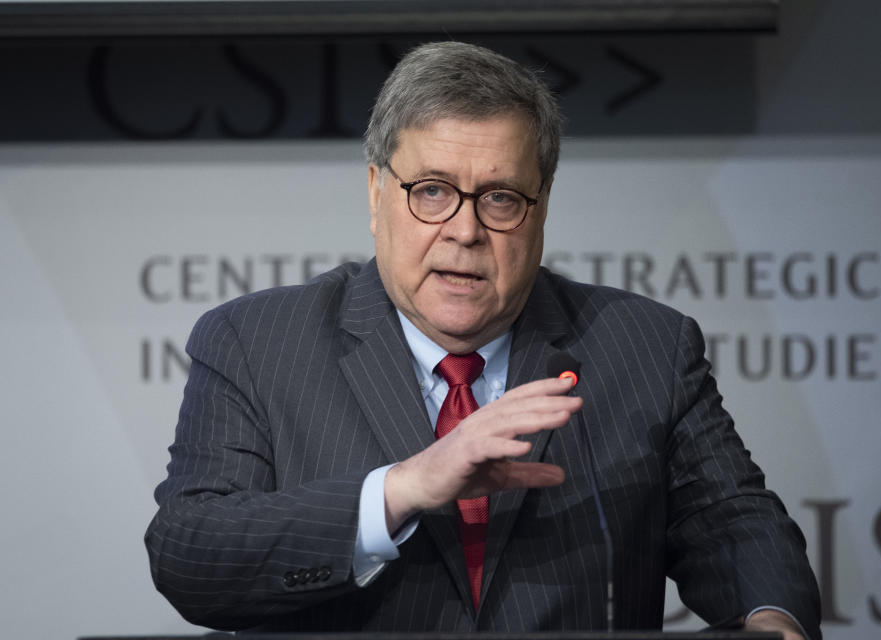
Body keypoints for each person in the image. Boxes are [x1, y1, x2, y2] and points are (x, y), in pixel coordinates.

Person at [146, 41, 821, 639]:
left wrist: (772, 619)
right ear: (377, 192)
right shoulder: (257, 342)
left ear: (542, 204)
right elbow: (191, 554)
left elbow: (734, 522)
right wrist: (404, 488)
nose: (465, 231)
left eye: (499, 197)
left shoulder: (647, 347)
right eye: (432, 191)